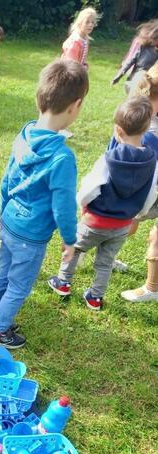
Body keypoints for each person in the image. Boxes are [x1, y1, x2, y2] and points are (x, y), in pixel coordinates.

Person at [0, 59, 89, 349]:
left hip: (9, 222)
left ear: (39, 98)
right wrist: (70, 239)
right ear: (75, 106)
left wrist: (2, 209)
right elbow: (63, 206)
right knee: (19, 284)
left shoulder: (25, 134)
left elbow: (7, 178)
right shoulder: (62, 158)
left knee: (4, 270)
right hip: (31, 236)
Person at [48, 96, 157, 310]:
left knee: (75, 248)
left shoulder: (109, 158)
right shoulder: (152, 162)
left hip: (96, 221)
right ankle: (95, 297)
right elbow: (150, 193)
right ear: (146, 130)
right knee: (105, 262)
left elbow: (90, 186)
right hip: (122, 225)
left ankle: (63, 282)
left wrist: (82, 204)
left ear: (118, 130)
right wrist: (138, 213)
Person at [121, 65, 158, 302]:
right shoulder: (147, 126)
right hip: (146, 188)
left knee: (155, 236)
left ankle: (153, 288)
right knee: (128, 222)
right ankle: (102, 253)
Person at [111, 19, 158, 91]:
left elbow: (129, 62)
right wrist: (118, 77)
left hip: (137, 84)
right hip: (137, 83)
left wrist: (118, 77)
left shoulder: (143, 47)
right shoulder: (143, 47)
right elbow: (130, 62)